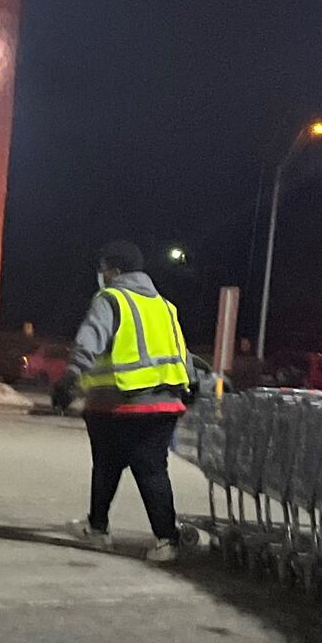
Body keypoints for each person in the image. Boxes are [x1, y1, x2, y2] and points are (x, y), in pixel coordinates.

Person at [52, 240, 193, 562]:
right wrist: (190, 386)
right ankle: (161, 540)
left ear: (114, 270)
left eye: (103, 269)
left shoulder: (110, 298)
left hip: (118, 403)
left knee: (106, 467)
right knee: (151, 470)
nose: (101, 275)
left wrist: (71, 379)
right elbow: (181, 352)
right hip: (164, 404)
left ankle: (103, 531)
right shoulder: (165, 305)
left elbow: (90, 339)